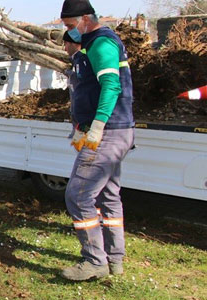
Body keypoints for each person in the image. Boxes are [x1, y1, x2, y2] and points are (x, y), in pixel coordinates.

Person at [60, 0, 135, 281]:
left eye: (70, 26)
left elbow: (111, 85)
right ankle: (115, 259)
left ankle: (95, 261)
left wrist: (98, 125)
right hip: (116, 131)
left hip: (108, 132)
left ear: (85, 19)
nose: (69, 33)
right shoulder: (92, 46)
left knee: (78, 195)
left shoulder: (102, 43)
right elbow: (88, 91)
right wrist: (83, 125)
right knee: (108, 195)